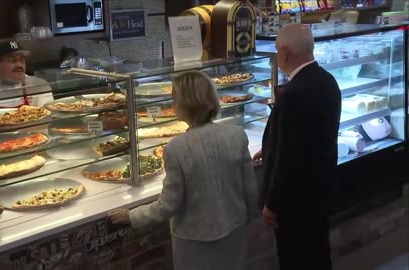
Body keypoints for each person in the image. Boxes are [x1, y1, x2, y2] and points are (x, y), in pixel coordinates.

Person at [108, 71, 258, 270]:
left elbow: (167, 205)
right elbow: (250, 190)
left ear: (186, 102)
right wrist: (245, 220)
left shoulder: (176, 148)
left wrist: (132, 216)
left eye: (174, 97)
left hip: (196, 244)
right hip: (234, 235)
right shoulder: (236, 135)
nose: (172, 102)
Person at [253, 23, 341, 270]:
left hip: (296, 204)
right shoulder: (328, 81)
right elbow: (308, 137)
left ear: (284, 51)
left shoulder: (293, 94)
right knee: (318, 255)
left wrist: (272, 203)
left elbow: (290, 159)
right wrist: (270, 146)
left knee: (296, 259)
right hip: (319, 194)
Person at [0, 40, 53, 111]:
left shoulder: (39, 86)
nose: (19, 64)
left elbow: (47, 117)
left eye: (21, 60)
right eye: (11, 60)